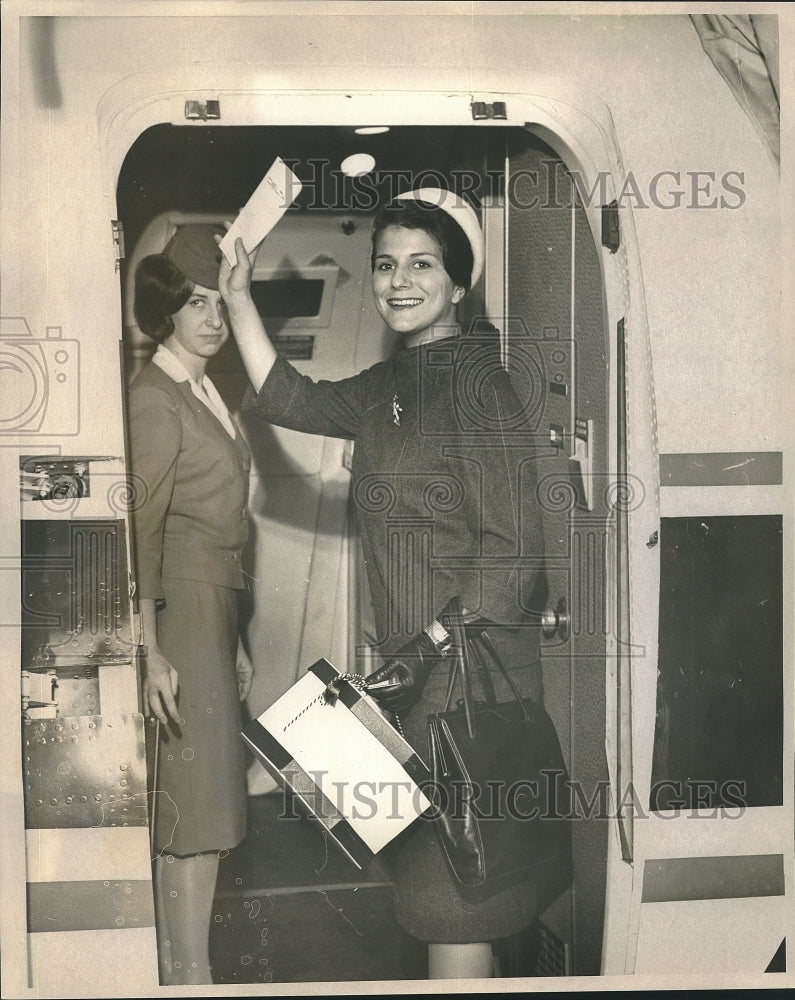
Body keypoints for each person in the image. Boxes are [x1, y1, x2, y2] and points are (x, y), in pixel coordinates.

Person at [221, 190, 552, 980]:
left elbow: (515, 558)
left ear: (459, 282)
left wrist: (427, 646)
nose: (399, 281)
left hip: (465, 686)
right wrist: (236, 293)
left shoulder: (480, 389)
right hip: (410, 684)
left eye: (422, 265)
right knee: (434, 900)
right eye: (385, 265)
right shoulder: (392, 383)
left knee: (455, 905)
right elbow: (288, 397)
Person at [127, 225, 254, 986]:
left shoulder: (201, 387)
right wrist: (151, 648)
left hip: (210, 614)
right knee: (195, 807)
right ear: (168, 310)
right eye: (195, 302)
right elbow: (138, 530)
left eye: (219, 301)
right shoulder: (156, 398)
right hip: (177, 617)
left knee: (198, 806)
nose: (212, 316)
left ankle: (185, 971)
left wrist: (233, 637)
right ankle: (189, 975)